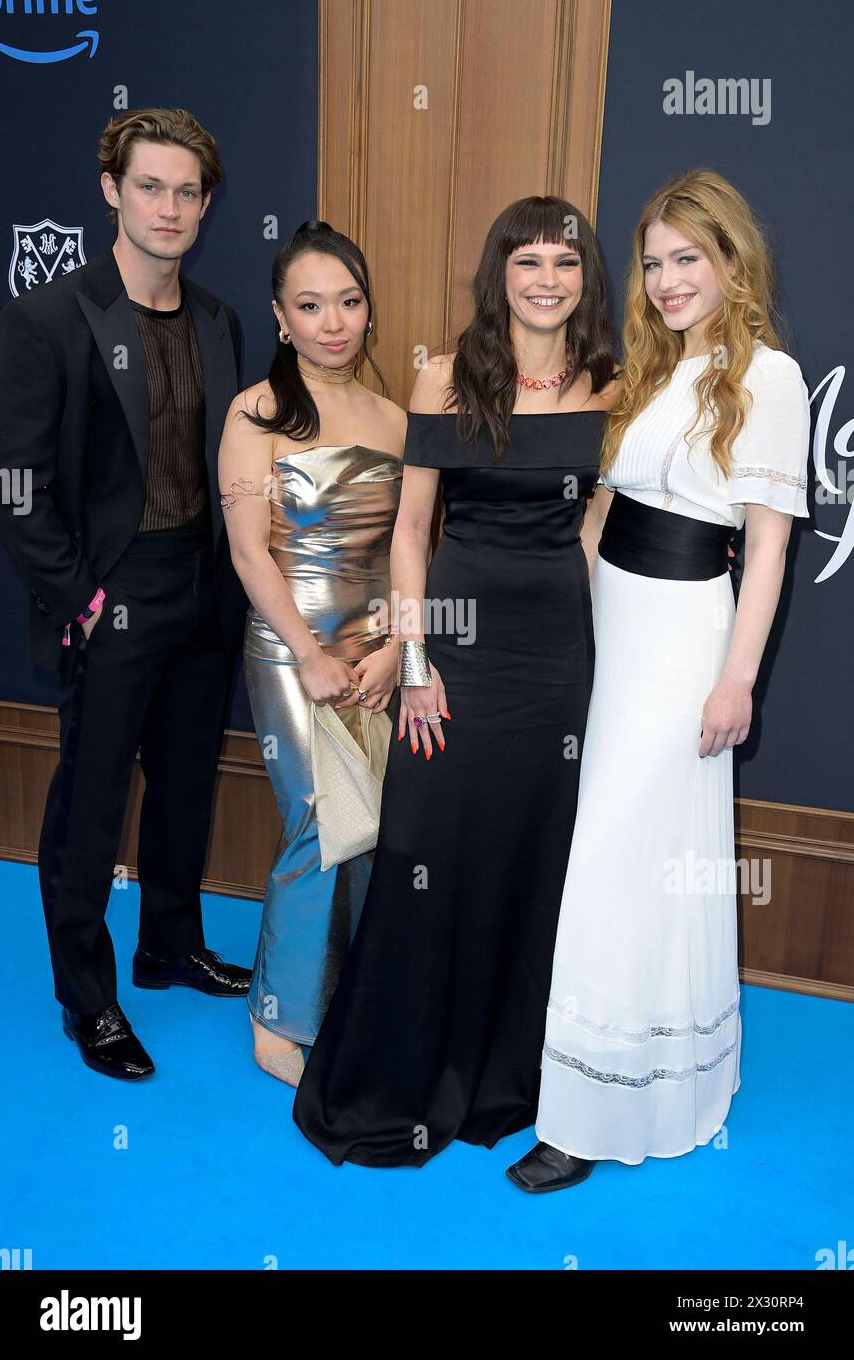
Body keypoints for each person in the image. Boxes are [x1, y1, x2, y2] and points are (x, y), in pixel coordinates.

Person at [293, 195, 620, 1165]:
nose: (547, 282)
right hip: (457, 649)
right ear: (500, 276)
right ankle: (403, 1070)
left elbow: (598, 529)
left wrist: (619, 655)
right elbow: (409, 532)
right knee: (427, 846)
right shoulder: (444, 379)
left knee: (533, 852)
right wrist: (420, 661)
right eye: (527, 264)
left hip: (557, 654)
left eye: (565, 264)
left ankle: (507, 1074)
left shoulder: (609, 384)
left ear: (584, 279)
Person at [506, 169, 811, 1191]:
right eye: (654, 263)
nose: (670, 279)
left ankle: (591, 1115)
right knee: (614, 854)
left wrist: (738, 683)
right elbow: (599, 520)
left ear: (731, 260)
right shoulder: (645, 373)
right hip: (612, 636)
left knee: (618, 859)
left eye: (690, 258)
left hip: (686, 644)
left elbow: (764, 552)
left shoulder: (767, 377)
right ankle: (601, 1075)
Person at [0, 108, 252, 1081]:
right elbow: (14, 481)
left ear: (207, 204)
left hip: (202, 586)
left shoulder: (222, 321)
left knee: (186, 783)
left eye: (188, 191)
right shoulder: (49, 317)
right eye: (151, 186)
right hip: (110, 593)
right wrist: (80, 598)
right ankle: (87, 1000)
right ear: (111, 189)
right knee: (91, 805)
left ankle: (169, 947)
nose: (170, 207)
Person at [218, 221, 405, 1086]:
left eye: (349, 301)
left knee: (372, 829)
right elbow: (250, 552)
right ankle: (279, 1015)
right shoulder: (257, 411)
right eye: (310, 305)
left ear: (369, 309)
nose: (334, 321)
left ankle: (352, 994)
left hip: (376, 653)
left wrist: (400, 647)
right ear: (281, 317)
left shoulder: (399, 420)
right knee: (316, 823)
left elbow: (414, 546)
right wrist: (309, 653)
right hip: (291, 647)